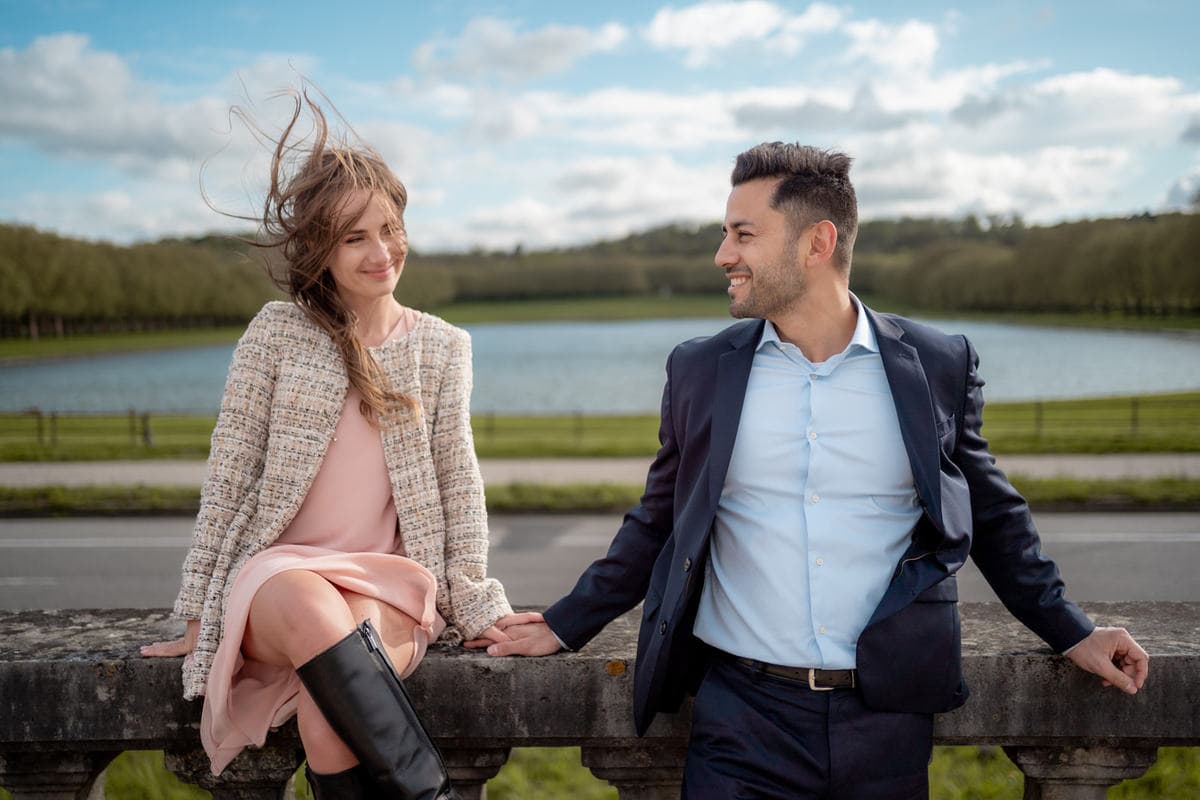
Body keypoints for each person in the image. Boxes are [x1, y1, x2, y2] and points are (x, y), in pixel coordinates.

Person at [480, 142, 1150, 798]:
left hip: (886, 719)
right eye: (725, 234)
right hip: (738, 720)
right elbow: (660, 519)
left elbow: (992, 514)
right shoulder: (699, 368)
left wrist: (1071, 630)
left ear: (817, 243)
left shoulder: (937, 363)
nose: (723, 255)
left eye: (743, 234)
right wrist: (567, 622)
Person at [142, 94, 532, 799]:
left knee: (330, 722)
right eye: (356, 238)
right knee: (310, 605)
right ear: (319, 249)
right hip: (278, 578)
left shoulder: (443, 347)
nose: (383, 253)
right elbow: (229, 477)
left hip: (388, 580)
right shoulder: (276, 334)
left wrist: (476, 600)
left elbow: (457, 480)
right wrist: (198, 607)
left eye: (390, 229)